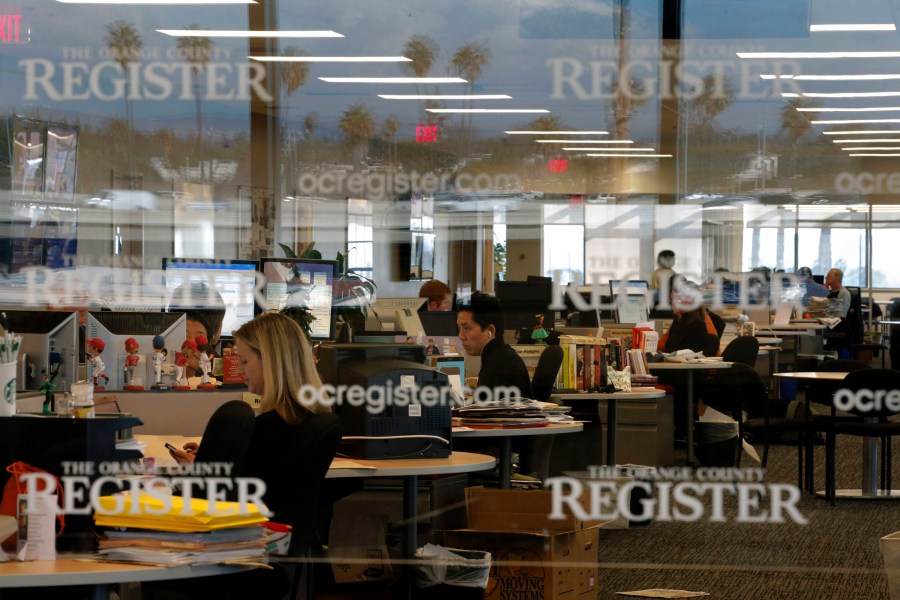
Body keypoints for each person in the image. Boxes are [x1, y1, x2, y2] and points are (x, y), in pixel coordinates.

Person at [169, 311, 340, 597]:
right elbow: (262, 480)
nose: (241, 369)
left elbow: (222, 498)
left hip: (231, 561)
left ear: (271, 362)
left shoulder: (266, 427)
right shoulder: (314, 419)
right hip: (274, 557)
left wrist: (198, 469)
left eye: (246, 360)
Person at [457, 291, 532, 398]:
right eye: (459, 328)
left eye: (466, 328)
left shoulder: (503, 366)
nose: (461, 336)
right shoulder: (495, 358)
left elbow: (497, 414)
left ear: (491, 330)